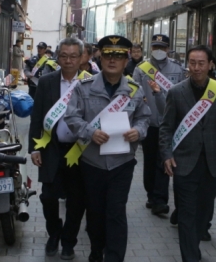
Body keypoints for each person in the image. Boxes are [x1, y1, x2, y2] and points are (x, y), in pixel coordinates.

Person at [64, 35, 151, 262]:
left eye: (119, 56)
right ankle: (96, 251)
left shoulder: (134, 89)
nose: (113, 60)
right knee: (95, 213)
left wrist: (138, 131)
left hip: (122, 162)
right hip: (92, 162)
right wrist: (89, 132)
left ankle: (114, 257)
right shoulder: (83, 88)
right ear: (100, 57)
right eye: (108, 55)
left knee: (116, 212)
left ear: (126, 60)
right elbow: (71, 117)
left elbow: (144, 118)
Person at [159, 45, 216, 262]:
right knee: (187, 213)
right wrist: (166, 154)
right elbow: (166, 127)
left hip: (212, 163)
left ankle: (193, 245)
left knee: (203, 213)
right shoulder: (176, 92)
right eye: (192, 63)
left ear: (211, 64)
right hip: (184, 162)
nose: (196, 68)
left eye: (201, 63)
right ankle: (190, 256)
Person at [29, 38, 90, 259]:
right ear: (58, 56)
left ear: (82, 57)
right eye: (64, 55)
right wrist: (33, 148)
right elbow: (37, 117)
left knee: (77, 199)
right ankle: (53, 232)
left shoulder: (90, 82)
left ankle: (68, 241)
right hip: (51, 148)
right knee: (48, 197)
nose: (68, 60)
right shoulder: (46, 82)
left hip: (80, 151)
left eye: (74, 56)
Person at [133, 34, 185, 216]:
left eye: (162, 48)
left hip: (169, 124)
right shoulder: (141, 69)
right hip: (148, 123)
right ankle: (151, 194)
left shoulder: (177, 69)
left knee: (164, 160)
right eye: (155, 47)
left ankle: (160, 200)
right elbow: (135, 94)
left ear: (168, 49)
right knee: (149, 161)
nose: (159, 51)